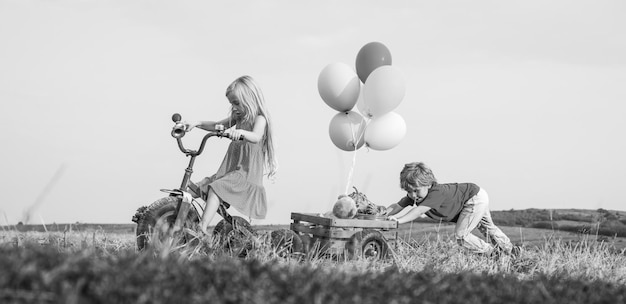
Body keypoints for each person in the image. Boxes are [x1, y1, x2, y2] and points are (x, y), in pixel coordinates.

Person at [183, 75, 277, 235]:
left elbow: (256, 136)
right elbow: (217, 125)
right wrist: (197, 123)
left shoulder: (259, 119)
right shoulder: (238, 117)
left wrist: (241, 132)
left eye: (236, 102)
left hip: (245, 174)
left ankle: (202, 228)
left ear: (249, 99)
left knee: (216, 188)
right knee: (197, 188)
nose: (233, 107)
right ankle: (169, 212)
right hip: (231, 170)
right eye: (231, 103)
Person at [386, 162, 519, 256]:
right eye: (409, 191)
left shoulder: (436, 193)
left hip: (473, 198)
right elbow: (398, 206)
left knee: (461, 235)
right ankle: (511, 251)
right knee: (487, 227)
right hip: (476, 194)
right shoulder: (416, 196)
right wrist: (383, 215)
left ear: (428, 184)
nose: (413, 195)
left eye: (416, 190)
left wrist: (398, 220)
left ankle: (493, 254)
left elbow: (419, 211)